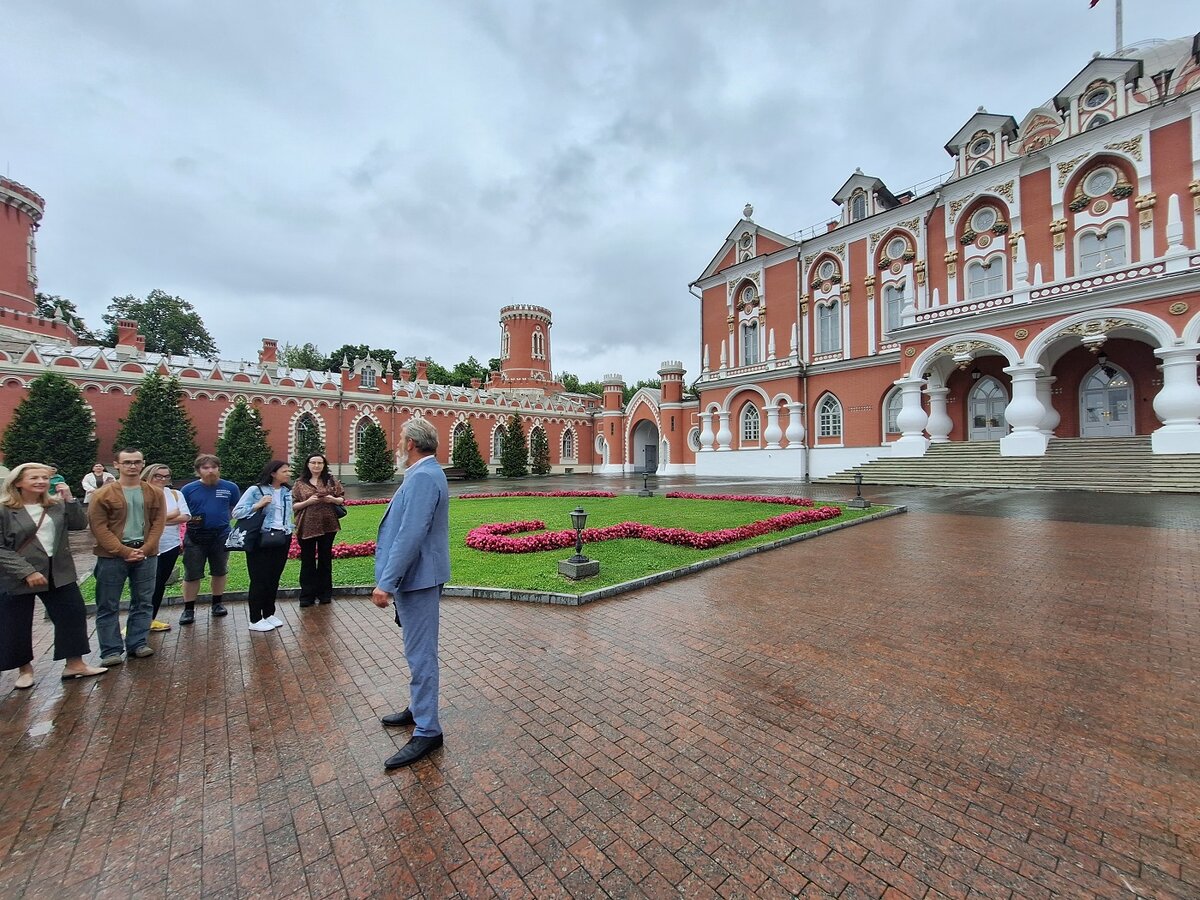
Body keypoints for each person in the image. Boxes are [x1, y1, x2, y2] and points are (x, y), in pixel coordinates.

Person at [373, 418, 450, 769]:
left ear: (410, 444)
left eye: (400, 439)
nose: (397, 445)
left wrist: (386, 583)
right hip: (418, 578)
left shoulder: (421, 477)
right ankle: (419, 709)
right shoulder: (425, 473)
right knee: (416, 651)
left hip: (417, 578)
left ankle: (428, 731)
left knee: (420, 655)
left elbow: (409, 534)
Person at [0, 462, 107, 688]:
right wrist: (26, 571)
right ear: (18, 482)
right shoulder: (5, 510)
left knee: (72, 614)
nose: (41, 481)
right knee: (17, 623)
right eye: (34, 478)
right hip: (17, 575)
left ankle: (75, 664)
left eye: (45, 477)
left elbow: (79, 525)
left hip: (58, 571)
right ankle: (25, 670)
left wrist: (69, 499)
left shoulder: (55, 505)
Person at [89, 447, 166, 666]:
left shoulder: (154, 492)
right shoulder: (102, 494)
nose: (132, 466)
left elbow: (158, 523)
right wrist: (124, 551)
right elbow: (99, 528)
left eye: (137, 462)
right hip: (112, 557)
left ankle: (137, 643)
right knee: (107, 604)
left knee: (143, 601)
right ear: (117, 464)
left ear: (143, 464)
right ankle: (111, 650)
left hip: (146, 555)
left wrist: (146, 548)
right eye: (127, 462)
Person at [231, 460, 293, 633]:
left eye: (289, 471)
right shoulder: (255, 490)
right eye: (285, 471)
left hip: (282, 537)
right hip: (261, 538)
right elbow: (236, 512)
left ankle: (268, 613)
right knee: (259, 578)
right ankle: (255, 618)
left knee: (274, 577)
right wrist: (258, 505)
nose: (288, 474)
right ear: (273, 473)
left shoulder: (287, 491)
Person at [178, 454, 240, 625]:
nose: (210, 471)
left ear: (219, 468)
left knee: (220, 570)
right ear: (198, 471)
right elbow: (182, 512)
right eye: (205, 468)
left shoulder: (230, 488)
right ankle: (188, 609)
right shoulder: (188, 489)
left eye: (214, 467)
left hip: (220, 535)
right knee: (192, 573)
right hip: (195, 536)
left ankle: (217, 603)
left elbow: (236, 508)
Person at [291, 453, 345, 607]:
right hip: (306, 526)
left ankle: (325, 594)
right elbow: (294, 505)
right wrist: (308, 501)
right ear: (307, 464)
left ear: (324, 464)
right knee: (307, 561)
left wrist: (331, 499)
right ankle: (307, 596)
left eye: (319, 463)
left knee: (325, 560)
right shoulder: (300, 483)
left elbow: (341, 498)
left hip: (328, 525)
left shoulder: (330, 480)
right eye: (313, 463)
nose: (316, 466)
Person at [142, 463, 190, 632]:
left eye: (166, 476)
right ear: (148, 475)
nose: (162, 479)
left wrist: (156, 520)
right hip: (145, 546)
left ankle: (151, 619)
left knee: (159, 582)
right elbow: (141, 519)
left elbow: (185, 515)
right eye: (158, 476)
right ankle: (137, 622)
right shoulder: (140, 493)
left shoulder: (175, 494)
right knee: (143, 584)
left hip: (170, 545)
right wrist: (170, 516)